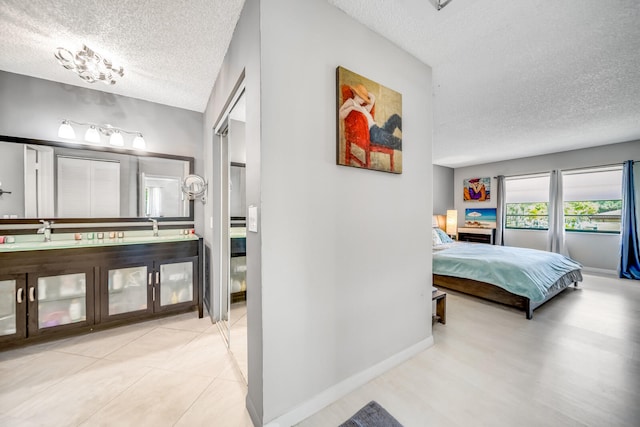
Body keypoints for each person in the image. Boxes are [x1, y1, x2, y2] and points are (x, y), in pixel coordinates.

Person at [339, 83, 402, 150]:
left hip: (378, 131)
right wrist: (351, 108)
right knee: (400, 143)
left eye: (364, 99)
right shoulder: (351, 102)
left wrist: (365, 94)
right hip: (372, 134)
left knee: (395, 117)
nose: (363, 101)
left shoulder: (363, 108)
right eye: (361, 97)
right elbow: (340, 114)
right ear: (355, 94)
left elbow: (372, 98)